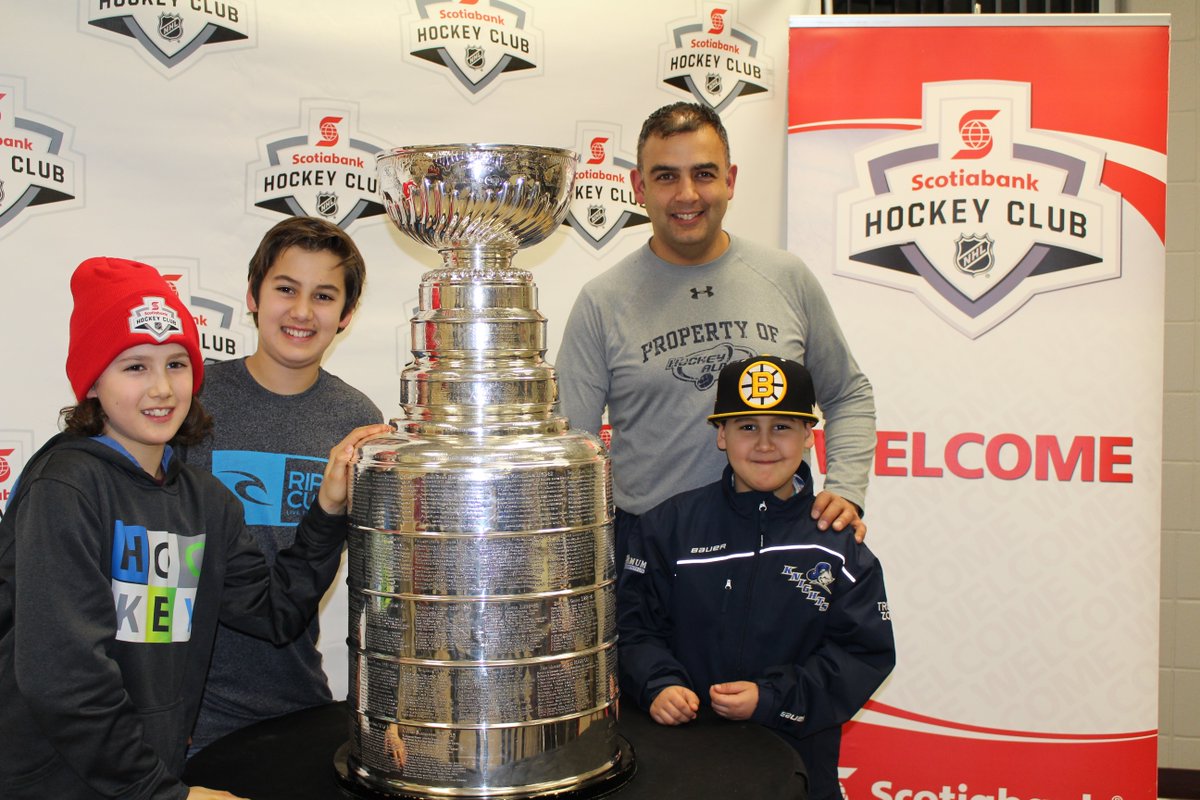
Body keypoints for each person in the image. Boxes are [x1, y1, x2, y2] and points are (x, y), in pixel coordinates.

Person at [0, 256, 391, 799]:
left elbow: (276, 615)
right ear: (93, 381)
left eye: (177, 364)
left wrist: (326, 510)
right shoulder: (65, 486)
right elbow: (64, 680)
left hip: (150, 774)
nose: (161, 388)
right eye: (134, 367)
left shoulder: (205, 501)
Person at [556, 102, 876, 568]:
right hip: (655, 560)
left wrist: (845, 488)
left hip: (781, 548)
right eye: (666, 177)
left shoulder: (785, 278)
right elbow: (573, 452)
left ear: (730, 181)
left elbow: (848, 393)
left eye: (704, 174)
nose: (687, 194)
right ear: (639, 187)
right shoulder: (602, 302)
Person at [617, 354, 895, 800]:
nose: (765, 444)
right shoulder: (668, 527)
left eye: (782, 427)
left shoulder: (837, 541)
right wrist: (658, 683)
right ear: (721, 436)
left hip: (797, 762)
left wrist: (771, 699)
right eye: (748, 427)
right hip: (680, 758)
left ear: (809, 436)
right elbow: (631, 627)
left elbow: (863, 655)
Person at [184, 217, 383, 754]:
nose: (301, 311)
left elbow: (378, 586)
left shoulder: (357, 420)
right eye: (285, 289)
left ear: (345, 316)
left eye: (323, 296)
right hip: (187, 714)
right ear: (252, 295)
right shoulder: (190, 400)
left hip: (297, 703)